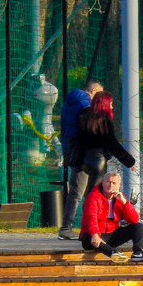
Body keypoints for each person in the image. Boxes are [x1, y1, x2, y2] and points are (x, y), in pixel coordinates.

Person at [57, 83, 126, 240]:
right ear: (93, 91)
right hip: (89, 156)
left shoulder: (69, 102)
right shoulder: (87, 107)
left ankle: (66, 227)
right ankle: (89, 228)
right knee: (93, 194)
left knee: (75, 192)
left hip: (73, 153)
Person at [80, 171, 143, 263]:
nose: (111, 185)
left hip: (110, 236)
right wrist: (95, 235)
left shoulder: (119, 198)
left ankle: (138, 252)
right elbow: (91, 218)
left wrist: (124, 202)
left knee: (138, 226)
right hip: (92, 237)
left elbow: (134, 219)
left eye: (114, 183)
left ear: (118, 185)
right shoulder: (93, 197)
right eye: (108, 182)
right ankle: (114, 254)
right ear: (103, 183)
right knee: (89, 236)